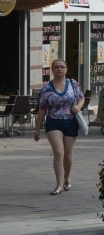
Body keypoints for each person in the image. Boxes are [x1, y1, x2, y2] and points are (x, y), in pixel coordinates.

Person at [34, 59, 85, 195]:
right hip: (53, 122)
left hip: (70, 122)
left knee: (68, 155)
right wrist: (37, 129)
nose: (59, 69)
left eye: (62, 67)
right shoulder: (46, 88)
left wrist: (78, 107)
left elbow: (81, 98)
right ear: (52, 70)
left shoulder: (73, 84)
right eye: (56, 67)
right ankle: (59, 184)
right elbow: (42, 109)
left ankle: (67, 178)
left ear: (66, 69)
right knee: (58, 153)